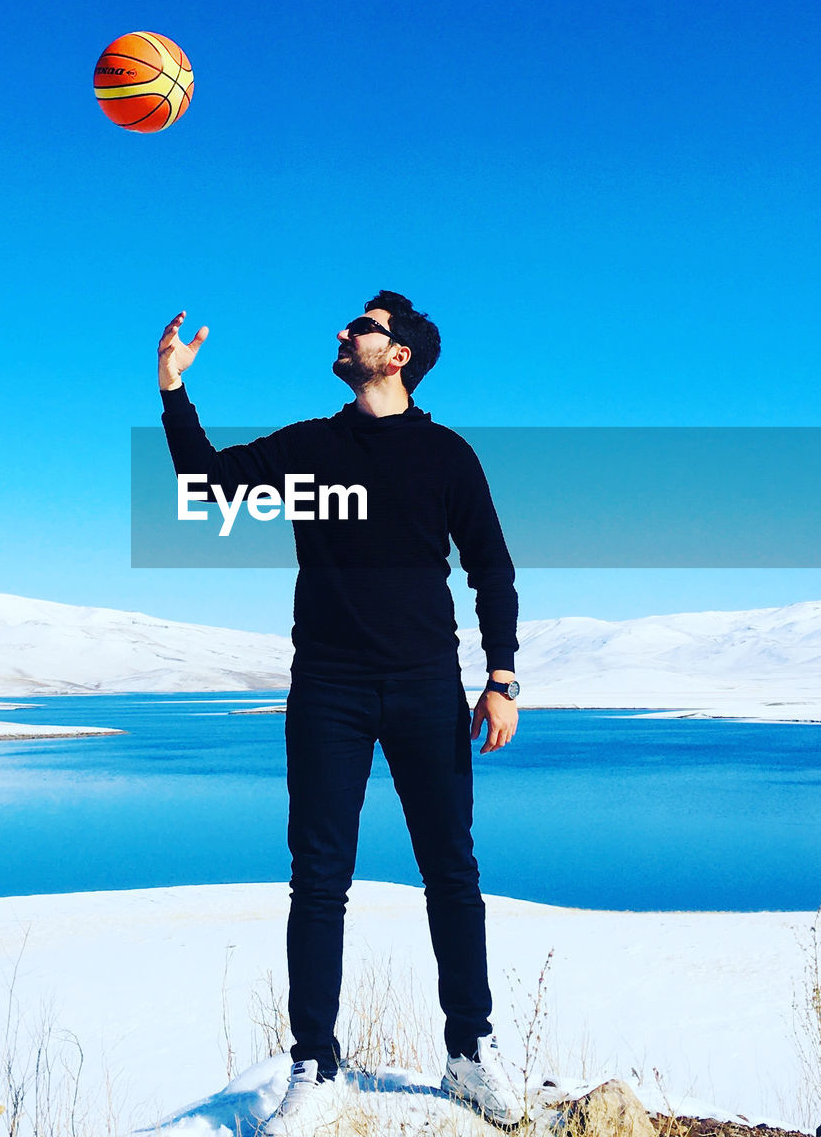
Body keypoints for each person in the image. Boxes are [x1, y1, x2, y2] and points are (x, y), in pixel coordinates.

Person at [156, 292, 524, 1132]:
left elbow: (492, 570)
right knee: (319, 881)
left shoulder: (446, 456)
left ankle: (469, 1053)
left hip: (428, 684)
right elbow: (203, 484)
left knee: (451, 873)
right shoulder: (309, 446)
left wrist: (502, 679)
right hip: (328, 688)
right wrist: (174, 392)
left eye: (360, 327)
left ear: (396, 356)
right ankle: (315, 1067)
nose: (341, 332)